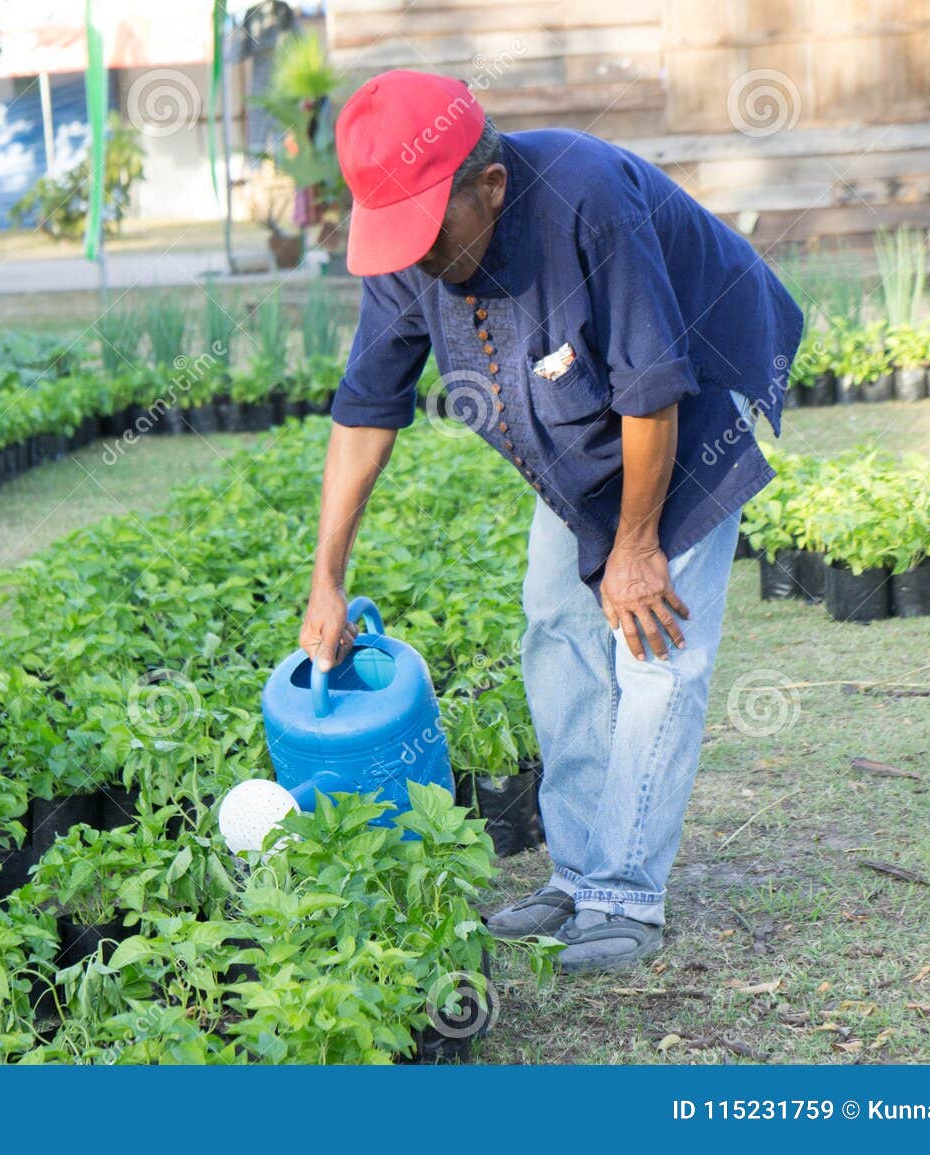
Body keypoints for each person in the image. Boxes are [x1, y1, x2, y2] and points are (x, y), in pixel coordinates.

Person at [299, 71, 804, 974]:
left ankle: (625, 895)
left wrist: (639, 546)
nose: (415, 258)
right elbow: (365, 408)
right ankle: (577, 874)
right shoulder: (413, 258)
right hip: (578, 420)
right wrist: (326, 578)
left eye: (427, 230)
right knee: (556, 622)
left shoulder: (586, 199)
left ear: (489, 187)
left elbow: (652, 387)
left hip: (686, 408)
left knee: (655, 649)